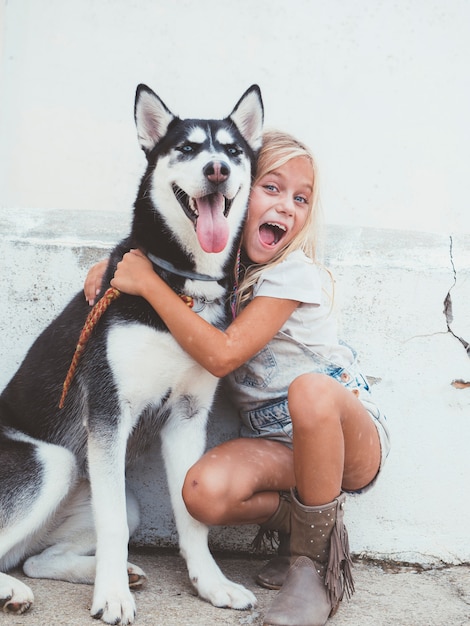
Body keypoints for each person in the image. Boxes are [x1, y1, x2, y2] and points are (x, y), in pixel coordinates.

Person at [84, 130, 390, 626]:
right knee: (202, 491)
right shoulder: (220, 272)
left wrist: (146, 285)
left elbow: (223, 355)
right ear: (236, 194)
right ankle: (309, 521)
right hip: (277, 443)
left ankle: (312, 569)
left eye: (301, 198)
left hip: (344, 435)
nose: (287, 206)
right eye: (271, 188)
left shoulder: (291, 275)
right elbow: (163, 260)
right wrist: (115, 264)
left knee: (309, 392)